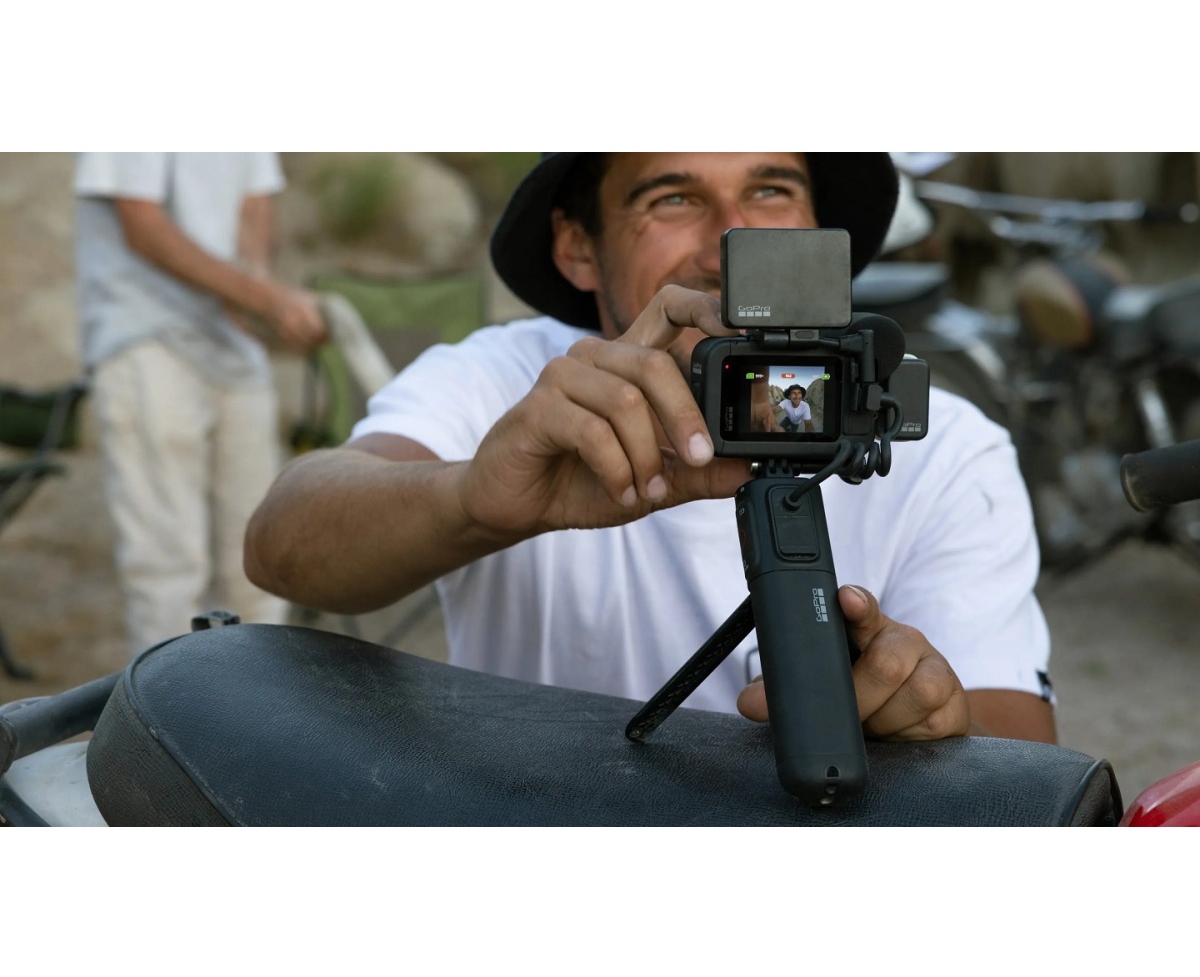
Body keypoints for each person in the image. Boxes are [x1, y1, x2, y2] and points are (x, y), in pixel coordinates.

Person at [245, 153, 1057, 744]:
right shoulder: (509, 383)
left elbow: (1026, 762)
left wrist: (932, 723)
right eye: (672, 197)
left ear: (819, 228)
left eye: (771, 189)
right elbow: (281, 544)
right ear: (578, 247)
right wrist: (470, 502)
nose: (730, 238)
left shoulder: (941, 441)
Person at [74, 152, 328, 658]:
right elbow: (142, 226)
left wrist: (253, 290)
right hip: (145, 336)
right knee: (167, 563)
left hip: (233, 346)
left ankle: (264, 697)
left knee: (261, 553)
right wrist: (265, 299)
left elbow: (254, 201)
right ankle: (166, 704)